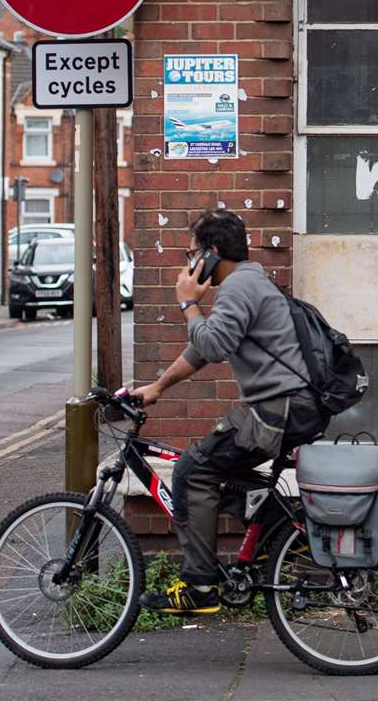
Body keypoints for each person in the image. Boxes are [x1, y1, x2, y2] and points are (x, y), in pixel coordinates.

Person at [129, 210, 329, 614]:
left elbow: (214, 345)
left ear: (211, 254)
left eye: (191, 255)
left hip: (279, 410)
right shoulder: (247, 282)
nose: (187, 266)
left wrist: (187, 302)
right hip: (288, 408)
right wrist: (159, 387)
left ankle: (200, 588)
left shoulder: (239, 287)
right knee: (221, 472)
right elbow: (204, 348)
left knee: (191, 469)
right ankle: (279, 529)